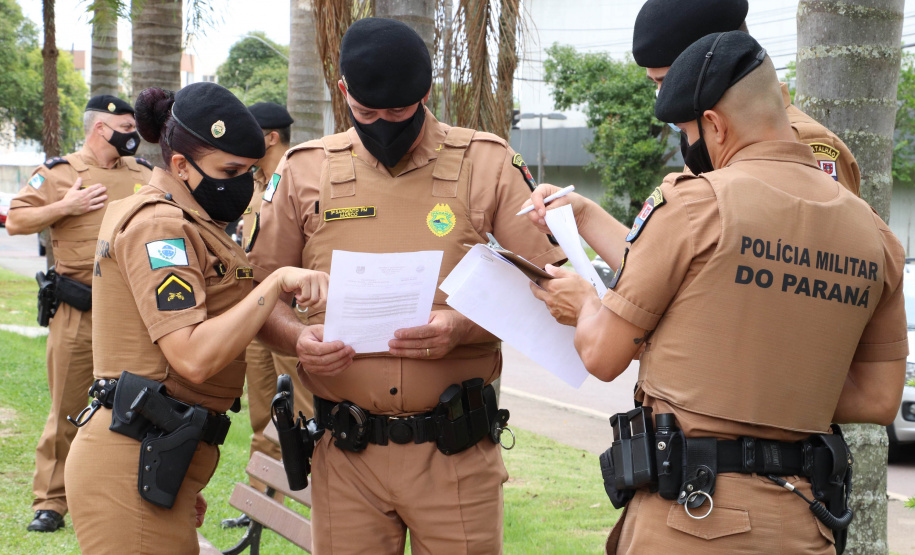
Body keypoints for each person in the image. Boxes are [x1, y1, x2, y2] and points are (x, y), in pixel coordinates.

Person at [524, 32, 906, 554]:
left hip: (691, 517)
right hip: (803, 520)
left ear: (715, 125)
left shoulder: (692, 205)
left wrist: (586, 304)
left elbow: (603, 353)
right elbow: (881, 398)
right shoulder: (876, 236)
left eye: (686, 130)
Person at [248, 17, 564, 554]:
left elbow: (551, 285)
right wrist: (297, 340)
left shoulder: (485, 163)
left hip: (455, 453)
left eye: (398, 112)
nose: (383, 124)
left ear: (425, 94)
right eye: (367, 112)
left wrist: (462, 327)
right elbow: (259, 296)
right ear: (344, 91)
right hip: (344, 455)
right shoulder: (305, 171)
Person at [63, 83, 328, 554]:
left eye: (250, 172)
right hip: (132, 459)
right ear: (181, 166)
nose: (243, 184)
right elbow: (193, 356)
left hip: (161, 454)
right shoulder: (159, 227)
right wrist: (274, 283)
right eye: (230, 171)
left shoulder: (192, 221)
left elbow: (239, 312)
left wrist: (307, 338)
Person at [6, 95, 152, 532]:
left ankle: (125, 493)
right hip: (78, 310)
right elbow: (15, 220)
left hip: (132, 316)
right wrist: (64, 208)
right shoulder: (60, 173)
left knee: (133, 408)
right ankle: (50, 503)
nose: (133, 135)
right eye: (125, 126)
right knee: (67, 409)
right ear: (101, 129)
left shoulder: (143, 174)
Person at [632, 0, 861, 195]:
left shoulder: (803, 145)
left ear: (712, 59)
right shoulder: (706, 136)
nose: (663, 97)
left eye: (665, 80)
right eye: (655, 83)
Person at [221, 102, 315, 529]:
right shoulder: (255, 183)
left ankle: (324, 495)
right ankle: (261, 501)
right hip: (257, 310)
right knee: (264, 411)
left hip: (293, 313)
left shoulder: (300, 177)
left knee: (308, 407)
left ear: (270, 137)